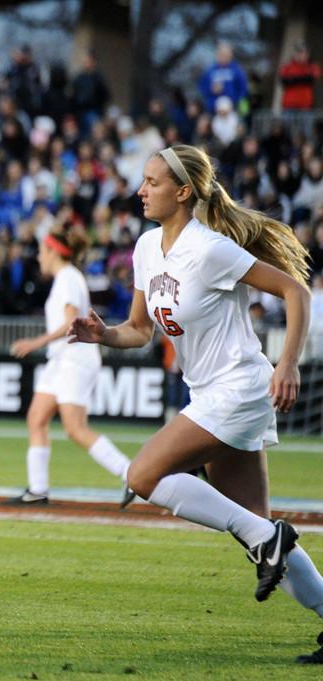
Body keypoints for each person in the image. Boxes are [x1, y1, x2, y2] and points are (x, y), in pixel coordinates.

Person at [68, 145, 323, 664]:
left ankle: (266, 537)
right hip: (210, 393)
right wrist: (103, 334)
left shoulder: (210, 249)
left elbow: (297, 291)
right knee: (257, 528)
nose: (141, 190)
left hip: (240, 388)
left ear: (183, 192)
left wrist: (288, 362)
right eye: (142, 180)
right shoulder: (145, 248)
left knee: (142, 476)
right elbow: (139, 330)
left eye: (152, 182)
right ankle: (270, 541)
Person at [7, 231, 134, 507]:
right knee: (36, 418)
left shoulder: (67, 278)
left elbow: (70, 323)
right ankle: (38, 489)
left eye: (42, 250)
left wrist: (35, 342)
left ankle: (132, 474)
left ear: (53, 252)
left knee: (75, 429)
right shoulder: (66, 278)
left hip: (74, 358)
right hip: (62, 359)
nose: (39, 256)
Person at [197, 41, 249, 118]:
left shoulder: (236, 70)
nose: (224, 57)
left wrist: (234, 100)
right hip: (212, 109)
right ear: (217, 55)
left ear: (230, 55)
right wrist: (211, 89)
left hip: (230, 110)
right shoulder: (210, 70)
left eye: (226, 55)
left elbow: (243, 88)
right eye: (222, 54)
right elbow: (201, 87)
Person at [279, 41, 320, 111]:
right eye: (298, 52)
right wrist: (302, 79)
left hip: (306, 106)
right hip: (289, 105)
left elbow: (311, 80)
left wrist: (293, 79)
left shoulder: (312, 66)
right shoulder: (286, 66)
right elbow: (284, 81)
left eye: (302, 52)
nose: (300, 54)